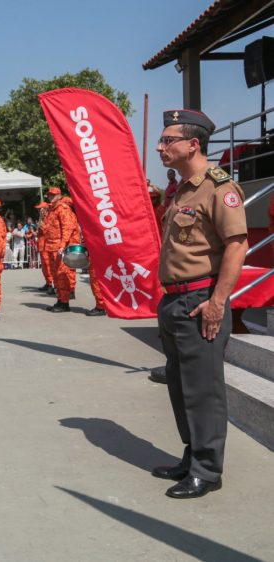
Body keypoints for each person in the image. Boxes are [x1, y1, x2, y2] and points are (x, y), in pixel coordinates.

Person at [152, 109, 248, 499]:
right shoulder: (184, 189)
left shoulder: (218, 187)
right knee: (179, 385)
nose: (160, 147)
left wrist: (217, 302)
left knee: (202, 389)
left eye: (167, 140)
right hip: (173, 300)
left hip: (199, 300)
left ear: (193, 144)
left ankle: (207, 471)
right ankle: (192, 456)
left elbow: (237, 245)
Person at [42, 187, 77, 313]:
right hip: (51, 247)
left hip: (59, 247)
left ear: (59, 195)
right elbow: (49, 229)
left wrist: (63, 245)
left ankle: (64, 302)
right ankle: (60, 299)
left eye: (53, 195)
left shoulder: (63, 208)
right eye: (49, 195)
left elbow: (67, 228)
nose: (50, 197)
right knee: (56, 276)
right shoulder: (52, 210)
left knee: (62, 275)